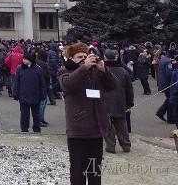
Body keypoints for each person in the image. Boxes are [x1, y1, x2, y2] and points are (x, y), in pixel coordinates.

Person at [60, 42, 116, 185]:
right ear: (71, 58)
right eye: (80, 57)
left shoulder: (95, 72)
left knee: (94, 172)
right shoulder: (64, 71)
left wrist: (104, 71)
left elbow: (112, 86)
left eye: (85, 56)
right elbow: (68, 85)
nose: (84, 59)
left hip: (96, 130)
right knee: (78, 172)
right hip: (77, 131)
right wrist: (84, 67)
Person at [103, 49, 133, 153]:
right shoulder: (123, 71)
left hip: (105, 102)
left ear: (105, 58)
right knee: (121, 124)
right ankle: (126, 145)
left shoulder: (102, 70)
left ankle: (110, 146)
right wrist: (130, 103)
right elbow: (129, 89)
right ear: (116, 57)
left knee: (108, 125)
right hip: (120, 101)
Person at [13, 51, 47, 133]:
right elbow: (17, 82)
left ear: (30, 59)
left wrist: (43, 94)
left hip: (35, 96)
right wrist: (15, 93)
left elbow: (42, 83)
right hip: (23, 96)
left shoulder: (38, 69)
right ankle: (24, 129)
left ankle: (36, 129)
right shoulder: (19, 68)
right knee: (24, 115)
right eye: (23, 59)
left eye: (25, 59)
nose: (23, 60)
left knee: (36, 115)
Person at [156, 49, 173, 122]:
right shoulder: (168, 61)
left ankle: (162, 113)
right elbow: (169, 74)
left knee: (169, 99)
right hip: (167, 84)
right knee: (171, 99)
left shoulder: (163, 60)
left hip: (163, 83)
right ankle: (165, 115)